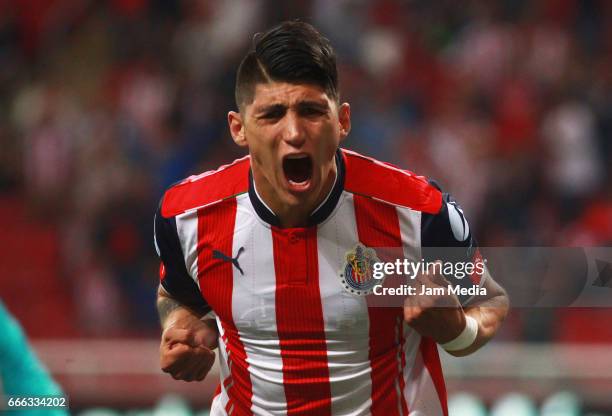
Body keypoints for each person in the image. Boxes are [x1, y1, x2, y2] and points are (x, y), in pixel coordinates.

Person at [154, 21, 509, 416]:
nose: (294, 132)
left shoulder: (418, 212)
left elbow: (490, 300)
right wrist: (179, 327)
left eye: (310, 111)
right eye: (272, 114)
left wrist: (458, 331)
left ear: (342, 121)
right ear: (239, 128)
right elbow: (175, 293)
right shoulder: (187, 216)